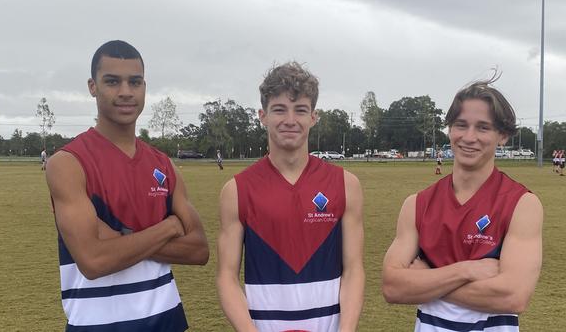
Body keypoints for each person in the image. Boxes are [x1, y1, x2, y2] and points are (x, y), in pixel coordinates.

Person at [46, 40, 209, 331]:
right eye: (112, 81)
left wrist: (122, 240)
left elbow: (198, 251)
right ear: (92, 87)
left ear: (144, 86)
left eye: (134, 82)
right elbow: (94, 261)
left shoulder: (163, 164)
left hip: (168, 321)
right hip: (97, 326)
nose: (125, 92)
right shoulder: (69, 163)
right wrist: (169, 228)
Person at [382, 77, 543, 331]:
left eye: (483, 128)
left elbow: (513, 296)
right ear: (449, 129)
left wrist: (425, 279)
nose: (469, 137)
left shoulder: (522, 204)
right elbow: (392, 287)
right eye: (461, 125)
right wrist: (466, 271)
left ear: (503, 136)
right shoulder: (417, 204)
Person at [216, 62, 365, 332]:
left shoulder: (345, 184)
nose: (290, 120)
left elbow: (353, 270)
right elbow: (226, 276)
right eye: (279, 110)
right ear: (262, 115)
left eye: (300, 110)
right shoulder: (236, 190)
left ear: (314, 117)